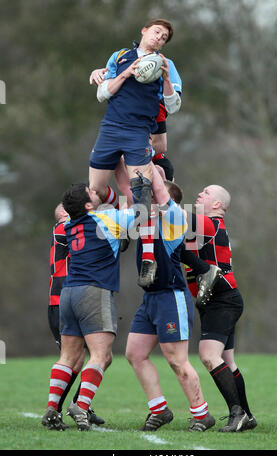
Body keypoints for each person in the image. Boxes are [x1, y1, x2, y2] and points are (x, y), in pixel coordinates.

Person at [42, 171, 155, 431]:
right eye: (92, 193)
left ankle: (52, 408)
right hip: (95, 291)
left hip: (68, 293)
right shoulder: (105, 218)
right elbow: (142, 214)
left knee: (67, 357)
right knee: (101, 355)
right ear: (88, 205)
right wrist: (142, 189)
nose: (97, 191)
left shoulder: (69, 225)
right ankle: (81, 406)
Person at [122, 165, 215, 432]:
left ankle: (201, 414)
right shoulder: (145, 221)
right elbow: (128, 190)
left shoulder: (174, 219)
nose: (147, 201)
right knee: (135, 354)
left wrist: (147, 161)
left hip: (170, 296)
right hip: (150, 299)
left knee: (176, 360)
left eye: (152, 198)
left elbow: (161, 191)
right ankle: (159, 410)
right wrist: (127, 161)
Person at [89, 18, 181, 285]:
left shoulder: (167, 64)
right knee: (95, 190)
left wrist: (164, 77)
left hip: (139, 132)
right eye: (156, 32)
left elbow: (173, 106)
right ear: (144, 30)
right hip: (110, 128)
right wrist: (123, 72)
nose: (159, 38)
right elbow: (102, 92)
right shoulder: (119, 56)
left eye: (164, 37)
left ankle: (148, 259)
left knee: (142, 194)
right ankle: (121, 222)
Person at [185, 185, 256, 432]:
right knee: (227, 360)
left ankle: (237, 415)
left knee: (208, 355)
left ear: (217, 205)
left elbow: (173, 216)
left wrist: (154, 191)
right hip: (222, 299)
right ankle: (246, 414)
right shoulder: (204, 226)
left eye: (206, 192)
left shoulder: (209, 224)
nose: (199, 194)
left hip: (222, 300)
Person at [45, 203, 104, 429]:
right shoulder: (63, 227)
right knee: (76, 358)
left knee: (95, 357)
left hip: (77, 297)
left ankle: (80, 405)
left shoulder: (75, 228)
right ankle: (57, 410)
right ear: (62, 214)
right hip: (61, 300)